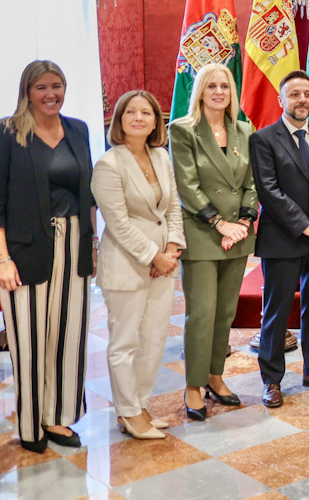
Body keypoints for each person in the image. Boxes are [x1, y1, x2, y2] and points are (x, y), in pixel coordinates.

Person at [0, 61, 95, 453]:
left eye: (57, 86)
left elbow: (87, 195)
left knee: (69, 336)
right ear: (27, 91)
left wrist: (92, 245)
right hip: (25, 250)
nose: (51, 94)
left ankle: (57, 416)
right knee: (30, 340)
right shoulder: (6, 132)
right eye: (41, 87)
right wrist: (1, 259)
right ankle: (30, 423)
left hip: (74, 244)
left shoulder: (78, 129)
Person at [250, 71, 309, 408]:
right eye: (294, 94)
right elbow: (268, 190)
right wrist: (305, 225)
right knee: (276, 312)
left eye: (306, 93)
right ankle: (271, 380)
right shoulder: (263, 139)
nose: (302, 99)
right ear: (281, 100)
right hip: (283, 237)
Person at [92, 90, 184, 440]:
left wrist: (171, 248)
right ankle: (128, 412)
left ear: (156, 121)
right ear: (120, 119)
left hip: (163, 264)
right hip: (126, 264)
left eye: (146, 112)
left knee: (154, 339)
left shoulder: (160, 156)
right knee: (125, 342)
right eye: (131, 112)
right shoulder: (109, 164)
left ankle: (140, 406)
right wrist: (153, 256)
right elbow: (117, 222)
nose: (139, 118)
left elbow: (172, 207)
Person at [170, 62, 258, 421]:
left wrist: (244, 221)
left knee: (225, 312)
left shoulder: (244, 129)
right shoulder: (183, 130)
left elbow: (252, 182)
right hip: (204, 232)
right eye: (212, 86)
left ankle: (215, 376)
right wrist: (220, 224)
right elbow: (187, 186)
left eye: (224, 86)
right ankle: (193, 384)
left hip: (237, 235)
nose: (219, 92)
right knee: (202, 312)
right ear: (201, 92)